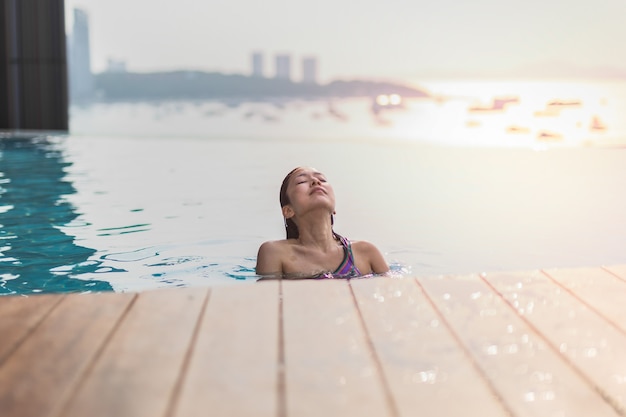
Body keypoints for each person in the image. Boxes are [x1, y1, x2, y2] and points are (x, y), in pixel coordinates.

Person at [256, 167, 389, 279]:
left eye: (322, 180)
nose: (315, 181)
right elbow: (269, 302)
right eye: (301, 181)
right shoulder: (275, 253)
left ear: (334, 208)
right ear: (288, 210)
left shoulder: (366, 252)